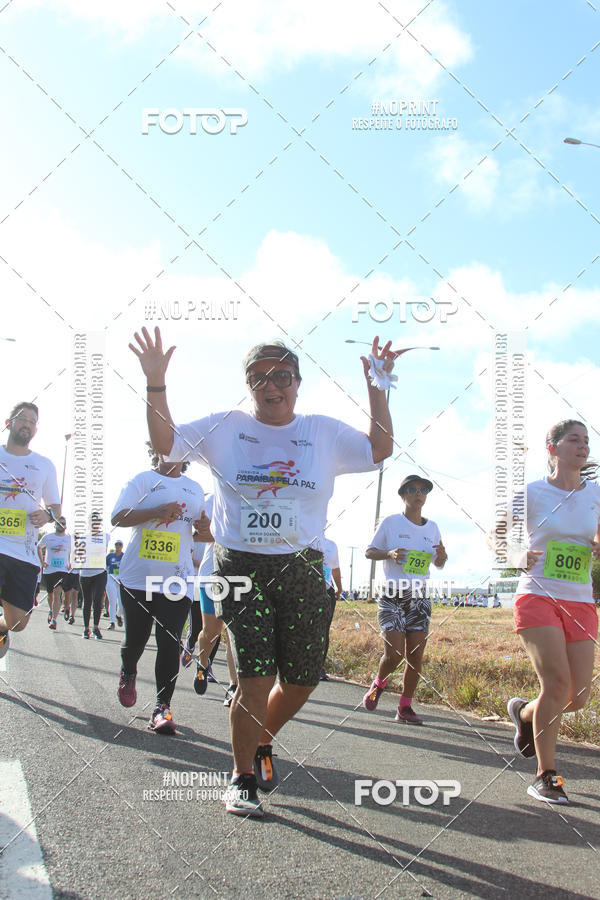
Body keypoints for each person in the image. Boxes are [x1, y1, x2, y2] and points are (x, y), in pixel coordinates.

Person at [130, 326, 394, 817]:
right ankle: (242, 775)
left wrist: (377, 389)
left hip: (303, 567)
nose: (272, 386)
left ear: (298, 382)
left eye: (282, 376)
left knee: (300, 680)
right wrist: (155, 383)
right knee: (255, 676)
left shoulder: (323, 431)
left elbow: (379, 450)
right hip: (240, 566)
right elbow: (165, 443)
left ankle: (261, 740)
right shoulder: (226, 426)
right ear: (248, 384)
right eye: (259, 378)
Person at [503, 420, 600, 804]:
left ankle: (524, 714)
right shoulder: (532, 493)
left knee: (578, 695)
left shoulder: (595, 494)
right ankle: (546, 775)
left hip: (581, 599)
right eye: (573, 440)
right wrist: (517, 555)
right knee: (557, 685)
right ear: (552, 448)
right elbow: (496, 536)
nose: (582, 446)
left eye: (586, 441)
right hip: (538, 594)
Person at [112, 444, 204, 735]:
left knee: (170, 640)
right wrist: (156, 511)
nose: (172, 453)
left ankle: (162, 708)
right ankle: (129, 671)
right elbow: (118, 517)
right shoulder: (142, 480)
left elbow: (203, 530)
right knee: (136, 640)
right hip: (139, 576)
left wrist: (208, 529)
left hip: (177, 579)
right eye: (165, 446)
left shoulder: (195, 489)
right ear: (155, 450)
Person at [363, 474, 447, 725]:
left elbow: (439, 563)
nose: (418, 494)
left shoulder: (432, 528)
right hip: (393, 594)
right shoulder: (390, 523)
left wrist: (442, 555)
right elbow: (369, 551)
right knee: (395, 653)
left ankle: (405, 707)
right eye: (412, 489)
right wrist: (389, 552)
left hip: (419, 596)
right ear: (403, 495)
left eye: (423, 490)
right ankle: (379, 683)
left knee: (416, 655)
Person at [0, 402, 61, 656]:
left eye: (32, 421)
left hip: (23, 553)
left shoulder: (44, 465)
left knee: (18, 622)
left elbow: (56, 509)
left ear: (35, 430)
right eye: (21, 418)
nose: (26, 423)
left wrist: (47, 515)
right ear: (8, 423)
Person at [75, 514, 109, 640]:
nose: (95, 523)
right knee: (87, 601)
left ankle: (96, 627)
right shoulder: (83, 537)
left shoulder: (105, 536)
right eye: (93, 521)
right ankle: (86, 629)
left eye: (98, 521)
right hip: (86, 573)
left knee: (98, 599)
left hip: (100, 572)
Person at [38, 516, 72, 629]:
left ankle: (54, 619)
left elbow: (75, 551)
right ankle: (51, 610)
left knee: (57, 592)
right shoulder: (48, 537)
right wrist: (42, 561)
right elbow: (38, 546)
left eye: (63, 523)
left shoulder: (69, 539)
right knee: (50, 594)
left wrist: (71, 562)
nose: (61, 525)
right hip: (49, 570)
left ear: (66, 525)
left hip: (62, 570)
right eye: (59, 523)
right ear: (55, 525)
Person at [320, 536, 342, 681]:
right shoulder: (299, 541)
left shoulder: (330, 545)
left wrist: (339, 588)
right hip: (303, 590)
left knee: (323, 629)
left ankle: (319, 666)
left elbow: (335, 569)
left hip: (326, 591)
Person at [106, 541, 124, 630]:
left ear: (122, 546)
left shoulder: (124, 556)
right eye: (116, 544)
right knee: (112, 602)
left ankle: (118, 615)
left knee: (121, 603)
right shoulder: (109, 556)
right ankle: (112, 622)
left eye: (119, 545)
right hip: (111, 578)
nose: (118, 546)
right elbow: (104, 566)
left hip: (120, 580)